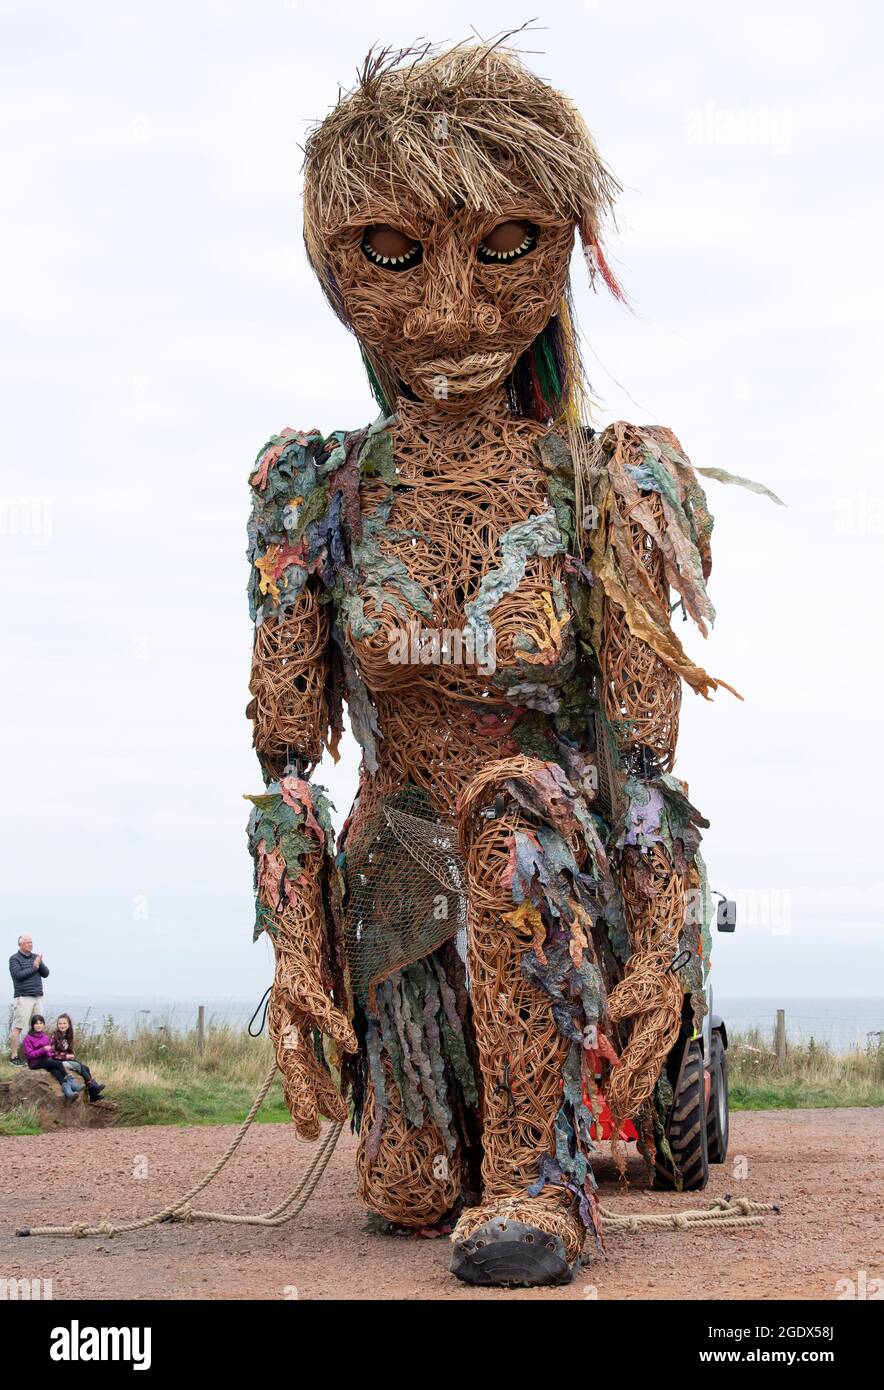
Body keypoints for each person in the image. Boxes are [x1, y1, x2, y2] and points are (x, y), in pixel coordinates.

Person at [9, 933, 49, 1065]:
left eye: (31, 942)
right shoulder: (14, 959)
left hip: (37, 996)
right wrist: (34, 967)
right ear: (20, 944)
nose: (30, 944)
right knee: (18, 1026)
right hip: (23, 997)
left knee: (36, 1026)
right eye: (27, 942)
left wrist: (39, 963)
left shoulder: (35, 957)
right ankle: (14, 1057)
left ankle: (34, 1056)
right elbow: (18, 975)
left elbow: (46, 973)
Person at [21, 1015, 80, 1101]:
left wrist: (48, 1055)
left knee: (56, 1071)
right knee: (58, 1064)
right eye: (36, 1023)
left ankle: (69, 1093)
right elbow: (30, 1054)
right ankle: (72, 1082)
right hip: (34, 1062)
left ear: (44, 1024)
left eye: (41, 1023)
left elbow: (49, 1052)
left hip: (45, 1060)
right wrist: (42, 1050)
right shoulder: (28, 1038)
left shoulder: (45, 1037)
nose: (39, 1025)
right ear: (32, 1025)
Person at [50, 1013, 106, 1101]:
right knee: (78, 1066)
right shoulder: (55, 1035)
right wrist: (66, 1055)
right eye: (60, 1023)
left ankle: (93, 1095)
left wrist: (71, 1055)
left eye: (64, 1023)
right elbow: (51, 1053)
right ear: (57, 1025)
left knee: (86, 1068)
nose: (62, 1025)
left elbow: (70, 1051)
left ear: (69, 1024)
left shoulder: (69, 1035)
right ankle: (93, 1087)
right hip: (57, 1061)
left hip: (67, 1059)